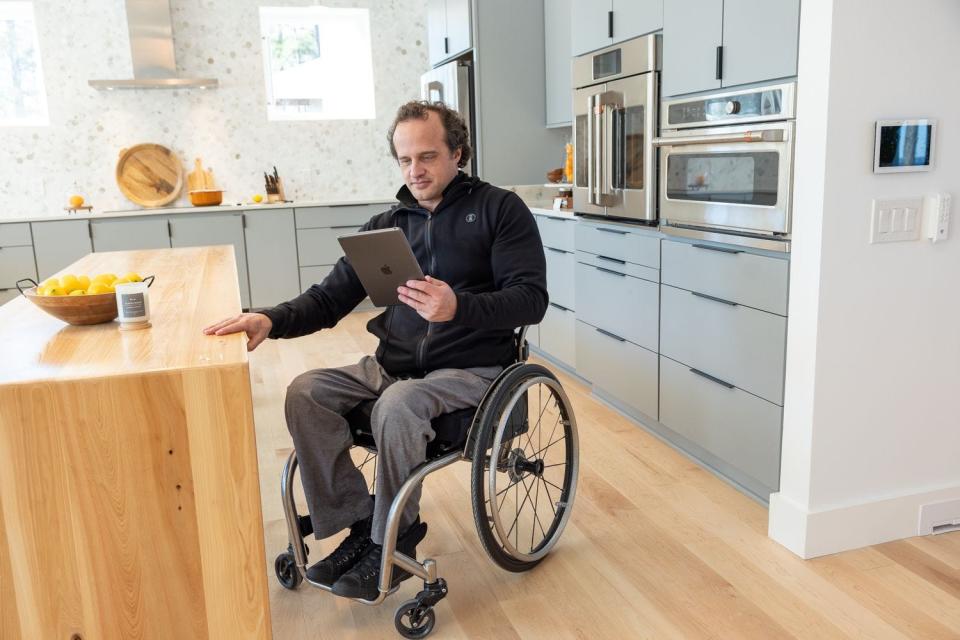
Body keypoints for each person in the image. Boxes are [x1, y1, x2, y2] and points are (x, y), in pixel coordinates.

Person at [203, 100, 547, 601]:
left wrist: (459, 307)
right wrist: (270, 318)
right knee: (305, 391)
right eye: (405, 160)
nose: (416, 170)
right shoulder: (387, 225)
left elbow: (531, 299)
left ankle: (396, 534)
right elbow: (328, 299)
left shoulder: (499, 210)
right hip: (391, 365)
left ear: (459, 153)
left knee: (399, 405)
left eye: (427, 157)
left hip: (471, 367)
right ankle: (360, 520)